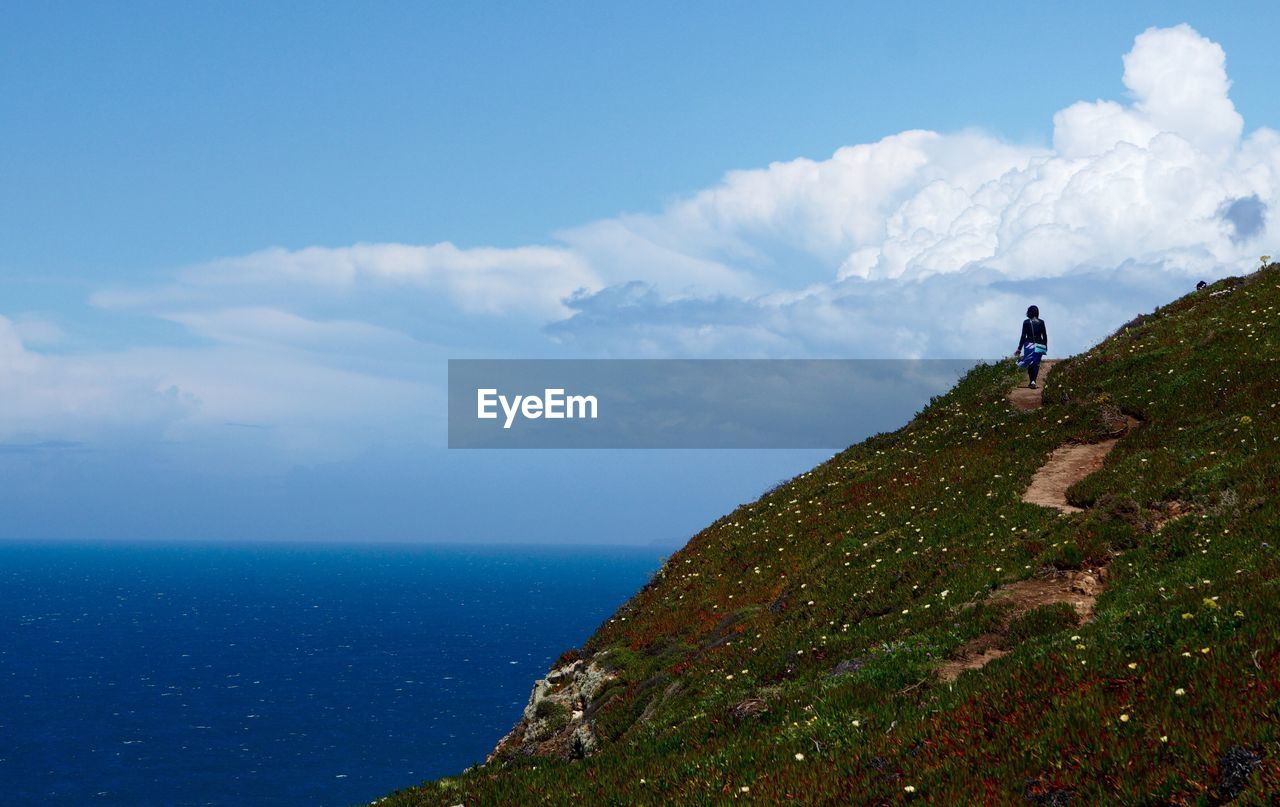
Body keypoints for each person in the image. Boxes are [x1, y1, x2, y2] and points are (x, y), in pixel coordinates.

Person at [1016, 305, 1048, 388]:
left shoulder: (1026, 322)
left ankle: (1031, 381)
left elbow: (1023, 336)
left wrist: (1019, 348)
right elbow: (1044, 335)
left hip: (1029, 345)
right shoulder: (1041, 322)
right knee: (1036, 363)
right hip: (1040, 344)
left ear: (1029, 312)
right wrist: (1045, 345)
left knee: (1030, 363)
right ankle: (1033, 381)